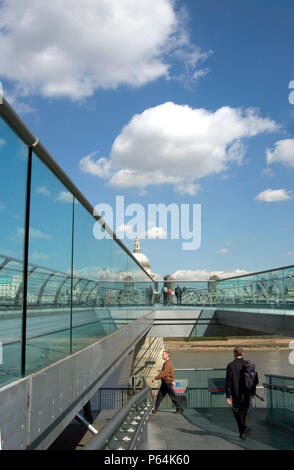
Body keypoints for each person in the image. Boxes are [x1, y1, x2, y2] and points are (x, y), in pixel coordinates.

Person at [225, 346, 258, 440]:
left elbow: (228, 381)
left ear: (234, 353)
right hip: (247, 393)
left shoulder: (231, 365)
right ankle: (243, 430)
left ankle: (242, 429)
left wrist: (228, 395)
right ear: (242, 353)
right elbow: (254, 379)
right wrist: (253, 392)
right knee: (244, 412)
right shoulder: (248, 364)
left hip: (236, 394)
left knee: (236, 412)